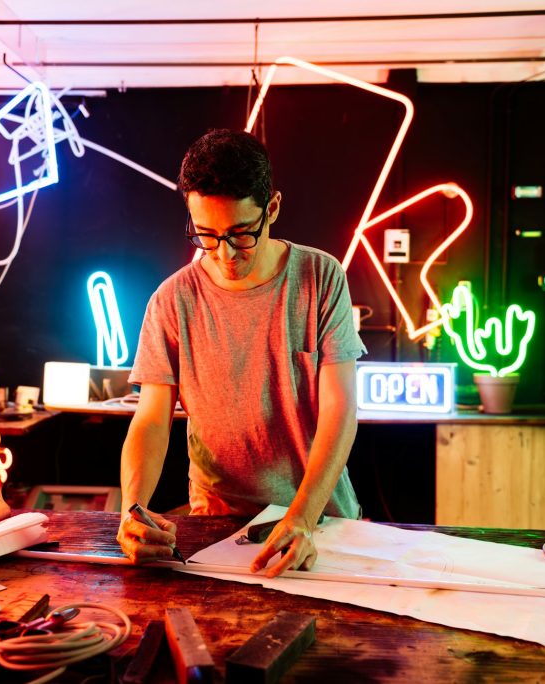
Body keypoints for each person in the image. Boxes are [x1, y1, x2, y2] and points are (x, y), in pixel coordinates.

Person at [116, 129, 366, 577]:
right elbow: (151, 420)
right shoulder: (173, 300)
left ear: (272, 208)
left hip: (319, 518)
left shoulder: (320, 277)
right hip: (218, 526)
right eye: (207, 236)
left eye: (241, 233)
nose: (224, 254)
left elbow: (340, 409)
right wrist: (132, 509)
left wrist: (302, 517)